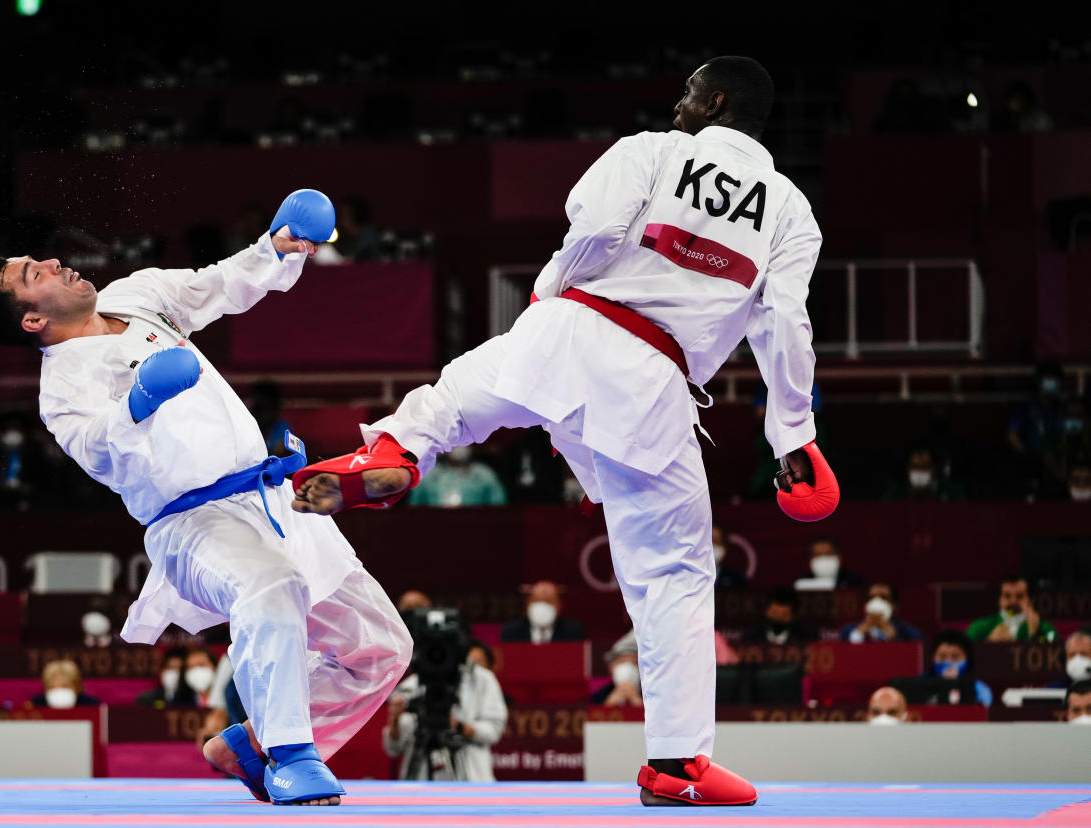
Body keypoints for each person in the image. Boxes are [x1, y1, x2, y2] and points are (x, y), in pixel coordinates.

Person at [291, 56, 841, 806]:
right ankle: (678, 763)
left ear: (715, 101)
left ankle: (392, 450)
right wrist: (794, 435)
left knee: (456, 398)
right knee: (673, 572)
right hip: (653, 385)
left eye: (688, 93)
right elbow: (784, 324)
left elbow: (598, 225)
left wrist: (551, 300)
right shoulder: (790, 210)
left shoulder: (649, 150)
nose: (677, 104)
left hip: (569, 329)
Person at [0, 189, 412, 806]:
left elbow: (216, 285)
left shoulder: (136, 295)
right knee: (270, 587)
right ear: (32, 320)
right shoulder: (62, 390)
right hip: (194, 523)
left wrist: (275, 249)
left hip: (272, 498)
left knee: (383, 648)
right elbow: (99, 451)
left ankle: (249, 745)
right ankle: (289, 754)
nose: (53, 264)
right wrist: (138, 400)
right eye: (32, 274)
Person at [383, 646, 508, 781]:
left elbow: (494, 730)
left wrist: (459, 726)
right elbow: (393, 748)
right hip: (420, 785)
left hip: (471, 782)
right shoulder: (413, 684)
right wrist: (394, 721)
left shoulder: (482, 679)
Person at [966, 575, 1058, 643]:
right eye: (1007, 596)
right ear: (999, 600)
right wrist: (989, 643)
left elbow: (1053, 648)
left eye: (1020, 596)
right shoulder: (979, 627)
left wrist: (1033, 634)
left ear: (1031, 601)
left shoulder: (1045, 628)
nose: (1013, 602)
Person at [408, 445, 507, 507]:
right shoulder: (429, 473)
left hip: (474, 525)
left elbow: (498, 505)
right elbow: (414, 506)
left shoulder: (484, 473)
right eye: (455, 442)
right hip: (436, 526)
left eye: (465, 442)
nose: (459, 446)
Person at [499, 580, 586, 643]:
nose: (542, 606)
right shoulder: (511, 632)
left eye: (548, 601)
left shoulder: (572, 632)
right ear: (528, 604)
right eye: (537, 600)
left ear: (559, 605)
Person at [839, 582, 923, 643]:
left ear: (895, 606)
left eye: (884, 598)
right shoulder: (847, 632)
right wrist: (859, 633)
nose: (877, 602)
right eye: (872, 598)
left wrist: (894, 638)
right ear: (865, 605)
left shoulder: (910, 634)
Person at [741, 587, 815, 646]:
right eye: (774, 613)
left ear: (793, 616)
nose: (778, 619)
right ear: (766, 611)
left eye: (784, 616)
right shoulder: (750, 637)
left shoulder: (807, 637)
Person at [31, 659, 102, 708]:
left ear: (77, 687)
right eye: (52, 687)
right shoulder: (34, 706)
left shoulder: (93, 706)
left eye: (65, 686)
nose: (59, 691)